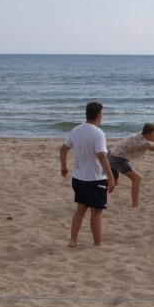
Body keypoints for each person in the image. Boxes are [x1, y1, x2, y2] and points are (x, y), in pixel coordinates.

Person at [60, 102, 116, 247]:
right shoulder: (98, 133)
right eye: (102, 114)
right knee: (96, 212)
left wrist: (64, 166)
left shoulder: (76, 130)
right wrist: (111, 177)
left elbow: (63, 149)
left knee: (80, 209)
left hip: (78, 178)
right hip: (94, 179)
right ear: (99, 115)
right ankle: (98, 243)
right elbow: (102, 156)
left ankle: (73, 240)